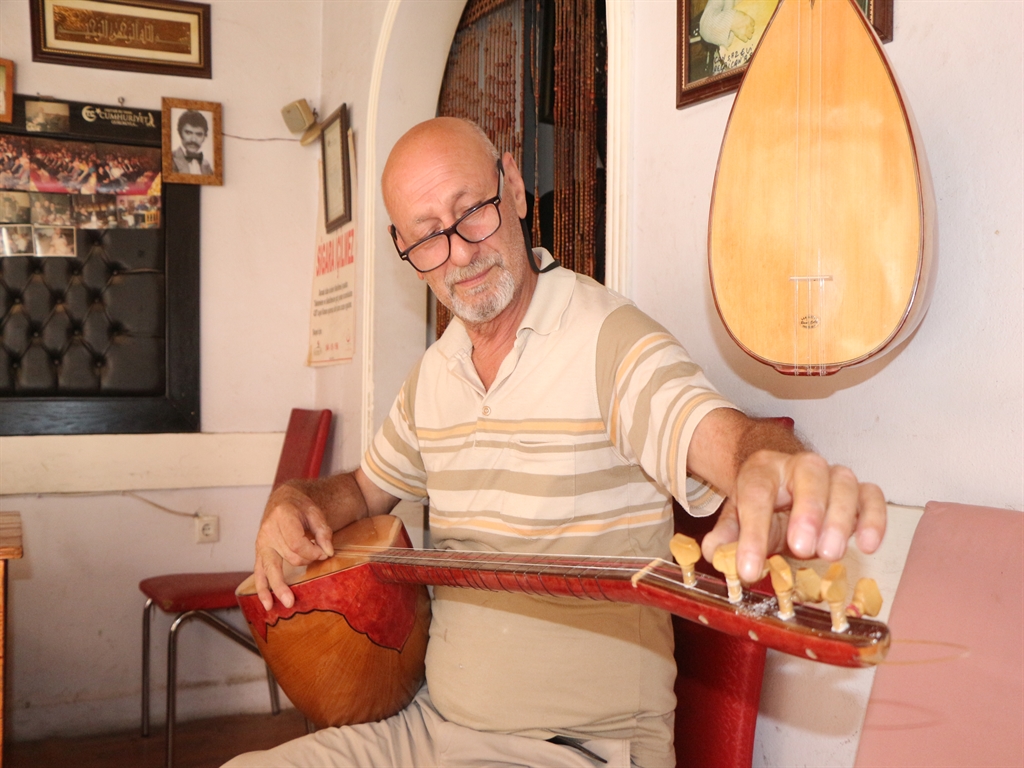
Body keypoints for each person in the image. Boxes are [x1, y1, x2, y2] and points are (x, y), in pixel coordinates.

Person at [225, 117, 885, 768]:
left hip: (578, 749)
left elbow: (718, 433)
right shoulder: (435, 373)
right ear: (403, 246)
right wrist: (293, 501)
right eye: (427, 236)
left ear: (512, 185)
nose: (459, 253)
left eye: (471, 211)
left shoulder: (607, 340)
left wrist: (767, 464)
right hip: (429, 728)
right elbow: (360, 493)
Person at [171, 110, 214, 175]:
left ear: (205, 137)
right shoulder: (169, 159)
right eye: (188, 133)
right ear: (180, 133)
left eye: (199, 134)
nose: (193, 140)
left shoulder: (207, 166)